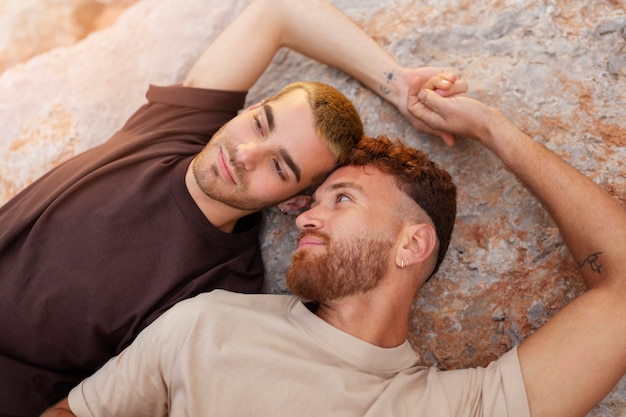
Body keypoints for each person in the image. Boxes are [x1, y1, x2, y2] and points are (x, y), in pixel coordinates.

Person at [41, 74, 626, 417]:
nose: (306, 220)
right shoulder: (206, 323)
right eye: (311, 201)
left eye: (341, 199)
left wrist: (493, 128)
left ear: (412, 244)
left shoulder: (459, 405)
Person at [0, 1, 469, 415]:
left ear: (294, 202)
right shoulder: (177, 129)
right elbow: (279, 12)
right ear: (248, 109)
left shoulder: (220, 288)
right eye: (260, 124)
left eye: (280, 167)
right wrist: (397, 82)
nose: (245, 154)